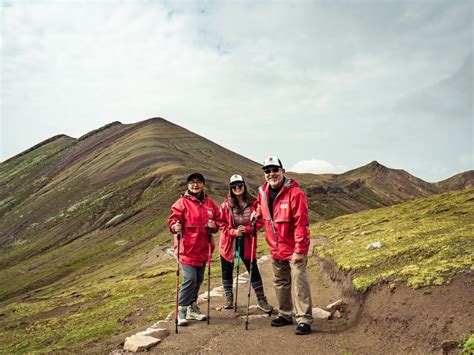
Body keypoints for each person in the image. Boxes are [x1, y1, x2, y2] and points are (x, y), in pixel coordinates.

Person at [251, 156, 313, 335]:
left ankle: (304, 319)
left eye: (275, 170)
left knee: (299, 283)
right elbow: (264, 214)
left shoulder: (295, 193)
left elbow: (301, 223)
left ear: (282, 171)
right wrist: (257, 215)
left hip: (294, 249)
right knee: (280, 282)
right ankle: (285, 314)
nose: (271, 174)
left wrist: (300, 250)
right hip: (276, 248)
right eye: (267, 171)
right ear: (264, 174)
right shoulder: (262, 192)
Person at [168, 172, 220, 326]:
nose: (195, 185)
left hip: (203, 249)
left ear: (203, 184)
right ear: (187, 185)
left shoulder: (210, 203)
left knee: (198, 280)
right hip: (186, 249)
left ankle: (192, 307)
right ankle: (181, 310)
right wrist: (174, 226)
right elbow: (173, 220)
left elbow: (218, 221)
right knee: (190, 279)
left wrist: (214, 226)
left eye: (198, 182)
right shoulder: (181, 203)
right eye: (191, 182)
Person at [218, 174, 273, 313]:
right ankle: (229, 298)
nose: (237, 188)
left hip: (247, 241)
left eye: (239, 185)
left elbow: (260, 221)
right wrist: (233, 232)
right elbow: (221, 223)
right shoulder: (225, 205)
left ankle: (261, 299)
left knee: (252, 268)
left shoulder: (254, 203)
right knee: (226, 269)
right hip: (229, 242)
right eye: (234, 186)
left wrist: (247, 229)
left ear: (244, 186)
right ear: (231, 188)